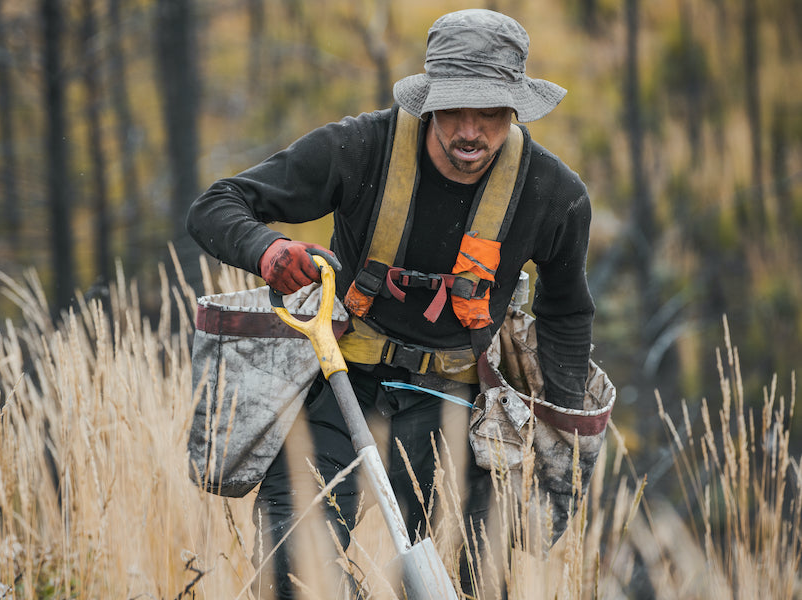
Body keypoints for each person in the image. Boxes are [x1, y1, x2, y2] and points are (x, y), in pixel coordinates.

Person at [187, 8, 595, 598]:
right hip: (343, 388)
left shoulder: (553, 194)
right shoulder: (359, 148)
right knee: (291, 571)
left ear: (516, 108)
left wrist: (561, 436)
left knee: (478, 585)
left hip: (460, 411)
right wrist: (269, 251)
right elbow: (216, 204)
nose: (471, 132)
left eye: (490, 114)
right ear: (428, 101)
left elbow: (567, 313)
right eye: (455, 109)